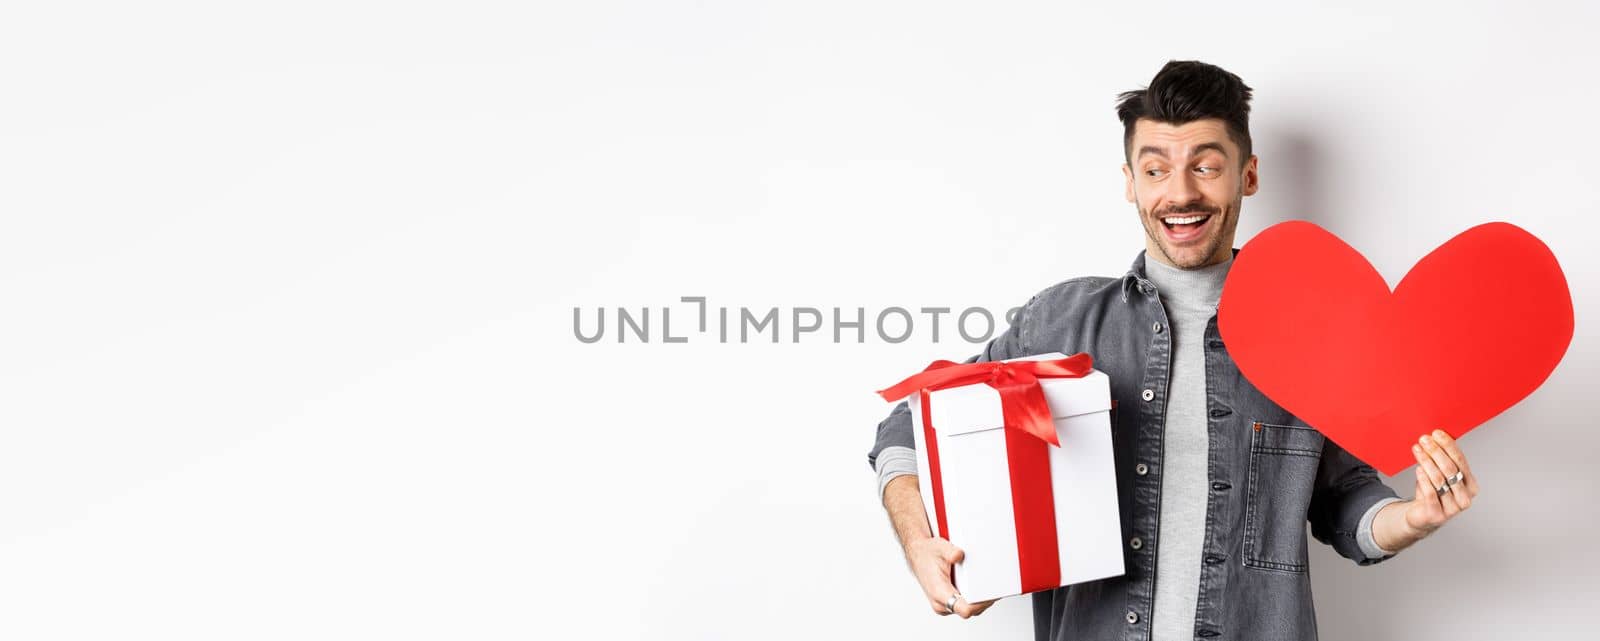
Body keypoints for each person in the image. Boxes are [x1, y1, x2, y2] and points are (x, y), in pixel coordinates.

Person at [866, 60, 1481, 641]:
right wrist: (923, 544)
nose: (1180, 193)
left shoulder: (1312, 335)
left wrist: (1413, 518)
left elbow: (1346, 500)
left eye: (1206, 166)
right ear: (1130, 183)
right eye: (1156, 169)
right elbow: (907, 426)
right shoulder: (1059, 323)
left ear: (1249, 175)